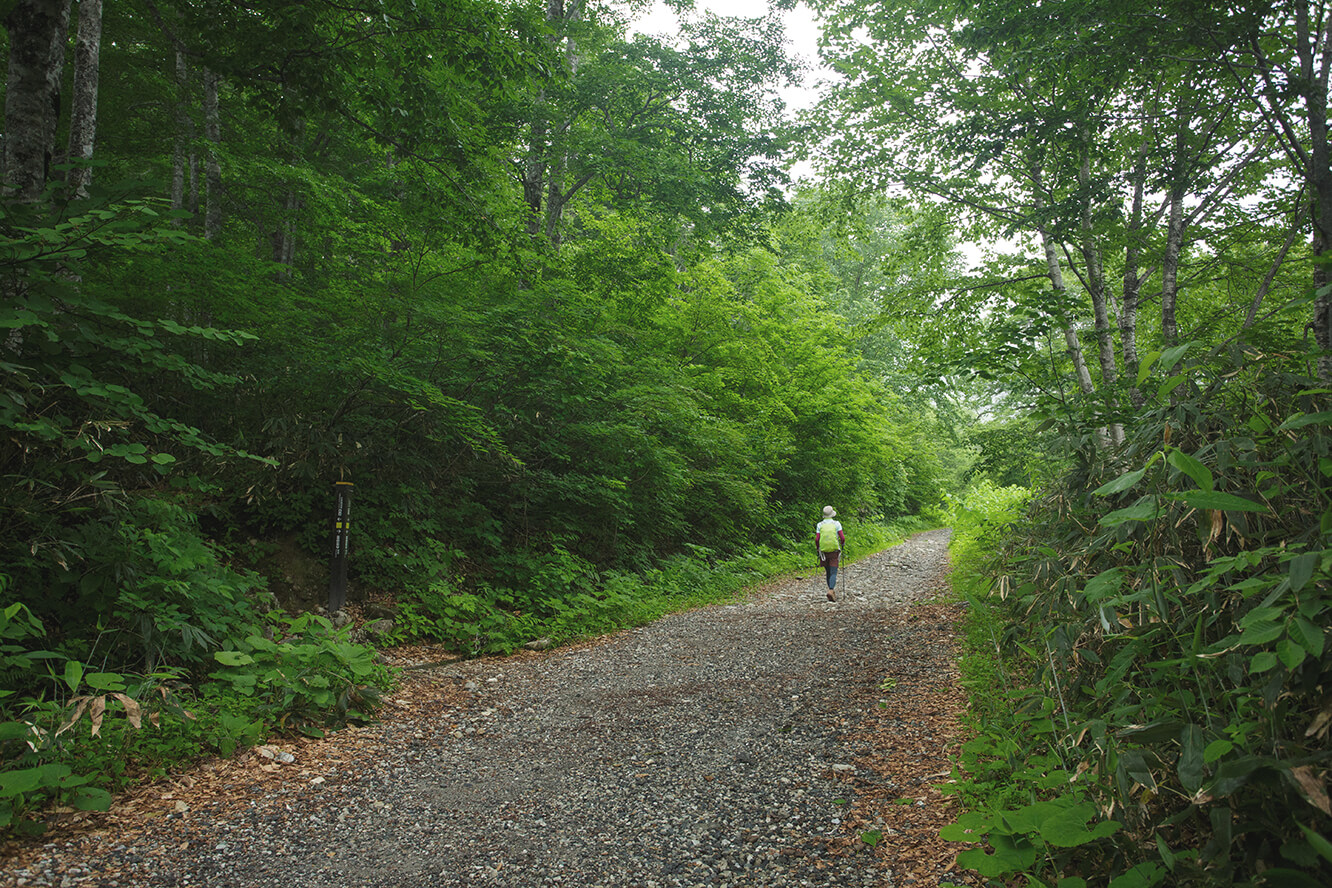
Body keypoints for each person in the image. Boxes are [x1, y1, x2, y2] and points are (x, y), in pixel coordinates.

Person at [814, 506, 844, 601]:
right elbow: (842, 537)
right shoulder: (836, 524)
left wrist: (818, 548)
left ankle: (831, 590)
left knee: (828, 571)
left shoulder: (820, 525)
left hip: (824, 551)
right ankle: (831, 590)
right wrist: (842, 544)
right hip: (834, 550)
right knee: (834, 571)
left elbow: (817, 539)